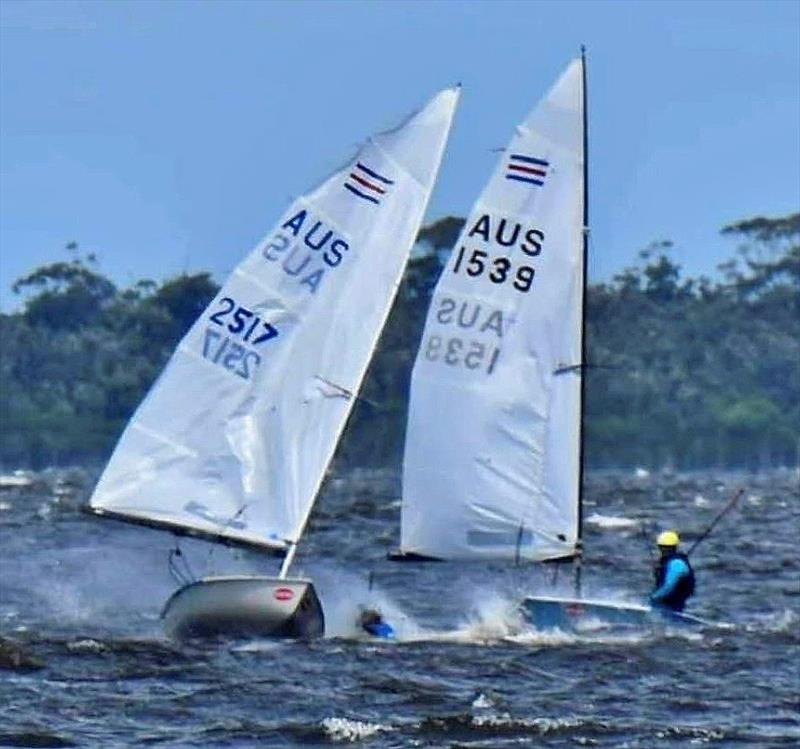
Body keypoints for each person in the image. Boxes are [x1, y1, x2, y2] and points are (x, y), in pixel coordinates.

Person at [650, 530, 695, 612]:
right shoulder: (671, 562)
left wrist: (653, 598)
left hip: (671, 605)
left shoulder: (676, 564)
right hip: (674, 604)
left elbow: (668, 586)